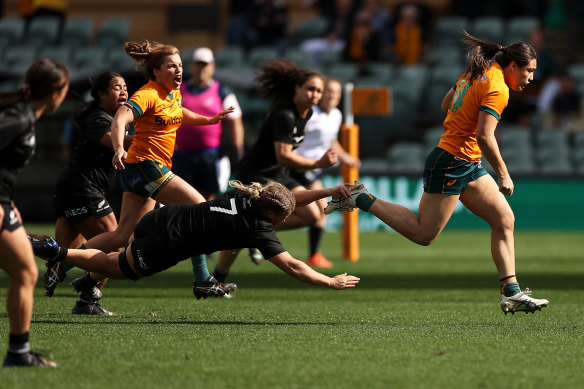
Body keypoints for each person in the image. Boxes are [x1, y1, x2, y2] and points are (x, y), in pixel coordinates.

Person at [324, 31, 550, 315]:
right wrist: (503, 173)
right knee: (424, 234)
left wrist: (463, 118)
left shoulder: (475, 72)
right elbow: (484, 135)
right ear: (513, 66)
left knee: (504, 219)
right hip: (452, 162)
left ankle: (512, 293)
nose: (531, 78)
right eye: (529, 71)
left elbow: (446, 107)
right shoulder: (498, 87)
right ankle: (360, 198)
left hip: (465, 162)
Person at [76, 40, 235, 301]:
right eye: (171, 66)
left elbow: (178, 113)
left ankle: (67, 263)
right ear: (155, 72)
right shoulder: (147, 93)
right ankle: (203, 279)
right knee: (198, 208)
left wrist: (208, 119)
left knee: (123, 234)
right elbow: (121, 118)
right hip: (147, 166)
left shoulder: (173, 92)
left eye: (180, 65)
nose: (179, 70)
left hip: (142, 171)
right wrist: (118, 148)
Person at [30, 181, 360, 294]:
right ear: (274, 216)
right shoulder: (258, 228)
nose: (288, 218)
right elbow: (293, 266)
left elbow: (289, 197)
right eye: (284, 217)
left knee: (116, 255)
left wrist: (330, 191)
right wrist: (329, 282)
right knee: (116, 266)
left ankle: (87, 291)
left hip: (162, 216)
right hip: (167, 244)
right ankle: (57, 252)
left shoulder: (254, 196)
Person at [212, 58, 339, 283]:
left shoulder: (306, 113)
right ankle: (218, 278)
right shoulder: (285, 114)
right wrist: (318, 164)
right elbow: (285, 155)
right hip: (256, 175)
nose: (315, 95)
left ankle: (252, 235)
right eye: (310, 89)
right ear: (297, 88)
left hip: (278, 174)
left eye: (318, 91)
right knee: (245, 228)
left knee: (311, 215)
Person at [44, 71, 133, 316]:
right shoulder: (99, 118)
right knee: (113, 245)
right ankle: (85, 299)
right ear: (102, 94)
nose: (123, 91)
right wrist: (156, 138)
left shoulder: (114, 116)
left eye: (125, 87)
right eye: (117, 87)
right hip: (83, 190)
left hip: (74, 189)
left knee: (63, 250)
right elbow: (117, 141)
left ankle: (58, 266)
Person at [0, 57, 68, 367]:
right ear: (57, 91)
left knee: (27, 272)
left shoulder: (25, 114)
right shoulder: (18, 118)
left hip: (2, 203)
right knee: (26, 273)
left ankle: (19, 353)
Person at [290, 78, 360, 268]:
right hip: (294, 168)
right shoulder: (310, 114)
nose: (332, 96)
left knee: (322, 210)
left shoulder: (336, 115)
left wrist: (346, 157)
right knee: (287, 210)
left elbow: (331, 141)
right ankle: (257, 237)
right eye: (329, 91)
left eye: (336, 93)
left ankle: (314, 254)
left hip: (313, 171)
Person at [173, 47, 245, 201]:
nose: (201, 69)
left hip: (209, 156)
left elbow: (235, 121)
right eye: (198, 64)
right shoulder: (178, 91)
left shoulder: (222, 92)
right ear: (192, 66)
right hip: (181, 155)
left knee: (208, 197)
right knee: (182, 199)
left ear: (212, 67)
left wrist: (237, 150)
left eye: (205, 65)